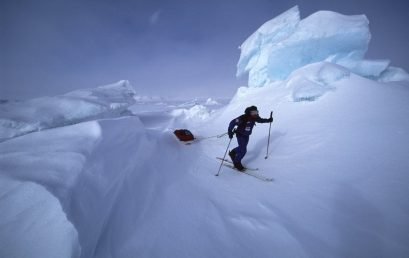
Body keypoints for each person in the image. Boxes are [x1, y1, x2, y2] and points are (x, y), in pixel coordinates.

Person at [227, 106, 273, 171]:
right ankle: (236, 162)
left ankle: (233, 152)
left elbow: (261, 120)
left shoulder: (255, 117)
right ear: (249, 112)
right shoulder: (243, 118)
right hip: (240, 135)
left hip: (246, 135)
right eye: (253, 112)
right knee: (243, 150)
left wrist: (268, 120)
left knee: (242, 147)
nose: (255, 114)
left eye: (256, 112)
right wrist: (230, 131)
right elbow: (232, 122)